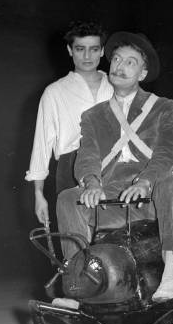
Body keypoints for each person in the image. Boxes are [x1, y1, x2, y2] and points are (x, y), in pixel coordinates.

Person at [56, 31, 173, 304]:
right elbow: (88, 155)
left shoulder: (164, 107)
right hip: (111, 201)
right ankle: (76, 284)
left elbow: (167, 152)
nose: (119, 66)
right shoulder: (92, 116)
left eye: (130, 62)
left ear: (143, 72)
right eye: (116, 59)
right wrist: (91, 182)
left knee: (172, 182)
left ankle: (171, 277)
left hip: (152, 198)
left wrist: (146, 181)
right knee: (68, 197)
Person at [25, 21, 114, 226]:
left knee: (115, 239)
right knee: (77, 241)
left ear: (102, 52)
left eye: (94, 49)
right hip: (71, 168)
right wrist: (38, 194)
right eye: (80, 49)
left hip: (114, 165)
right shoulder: (55, 92)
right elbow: (42, 143)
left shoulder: (116, 86)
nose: (87, 56)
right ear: (69, 50)